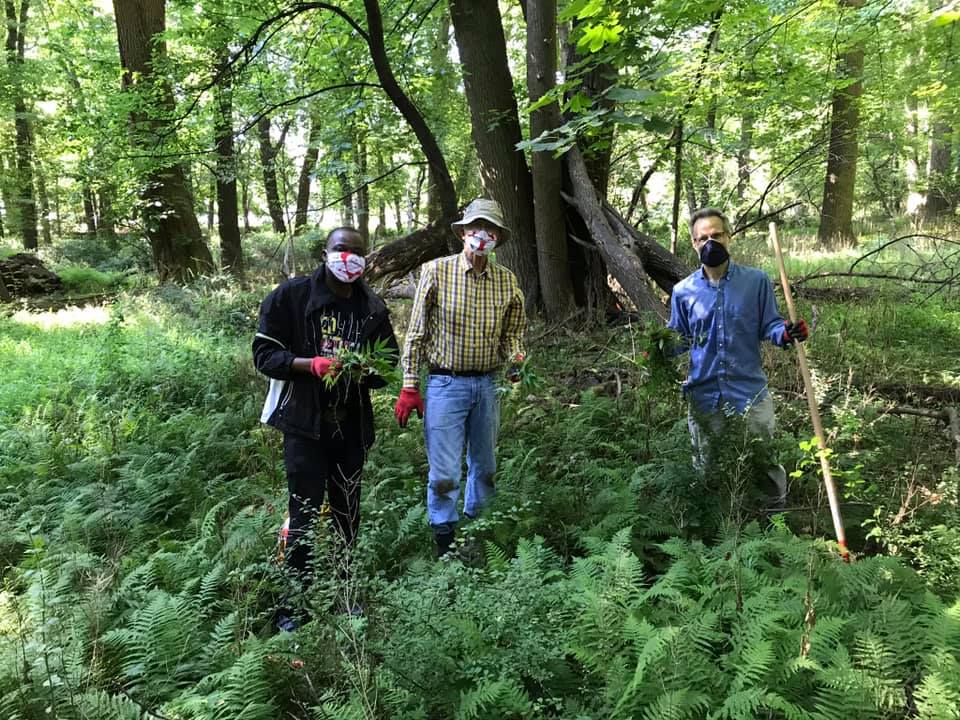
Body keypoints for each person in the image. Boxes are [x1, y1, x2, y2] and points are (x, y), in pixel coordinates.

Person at [253, 227, 398, 627]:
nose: (349, 258)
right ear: (325, 253)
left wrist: (365, 371)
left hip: (350, 426)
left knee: (347, 513)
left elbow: (388, 364)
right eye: (341, 249)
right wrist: (309, 365)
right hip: (304, 425)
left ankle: (345, 594)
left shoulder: (372, 306)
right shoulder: (292, 297)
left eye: (357, 252)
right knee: (303, 514)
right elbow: (264, 354)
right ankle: (293, 606)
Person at [394, 198, 527, 557]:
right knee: (445, 473)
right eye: (476, 227)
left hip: (487, 384)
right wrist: (409, 385)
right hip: (445, 385)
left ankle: (479, 534)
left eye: (490, 229)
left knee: (484, 467)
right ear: (463, 232)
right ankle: (445, 540)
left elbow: (513, 332)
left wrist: (516, 359)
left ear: (498, 237)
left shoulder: (506, 281)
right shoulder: (436, 272)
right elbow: (417, 332)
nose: (482, 235)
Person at [667, 207, 809, 511]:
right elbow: (678, 338)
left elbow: (769, 325)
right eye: (702, 238)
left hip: (749, 391)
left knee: (764, 460)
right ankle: (715, 522)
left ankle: (774, 520)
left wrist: (786, 332)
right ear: (693, 243)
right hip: (704, 395)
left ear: (729, 236)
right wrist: (657, 349)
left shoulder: (756, 282)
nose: (710, 242)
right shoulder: (683, 291)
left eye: (716, 235)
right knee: (706, 464)